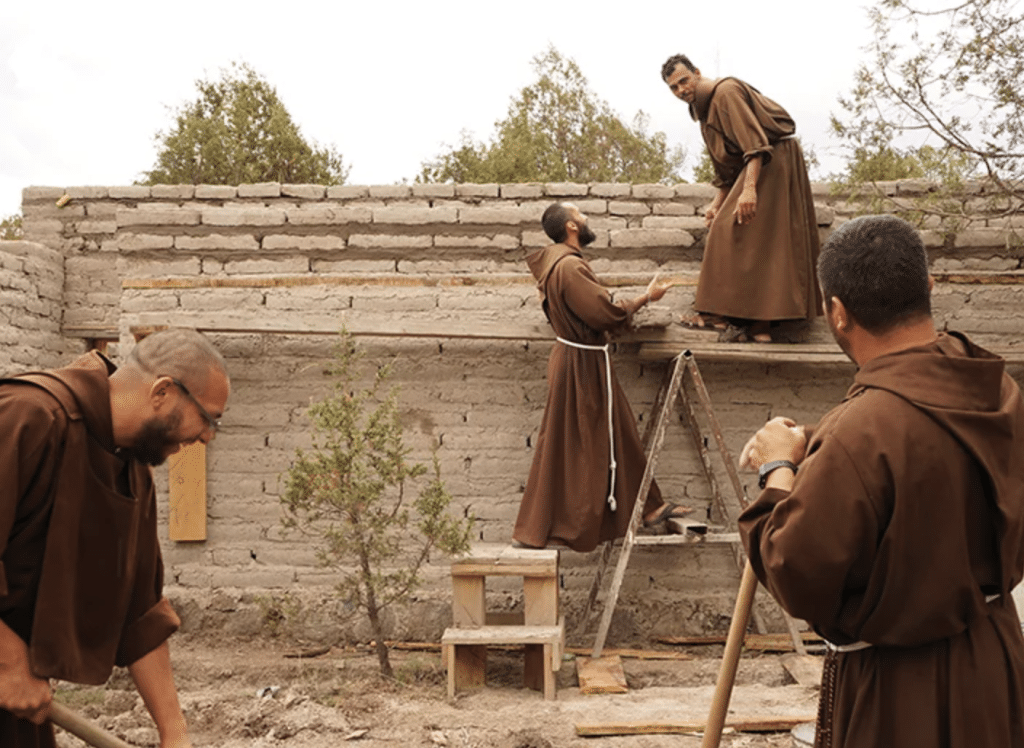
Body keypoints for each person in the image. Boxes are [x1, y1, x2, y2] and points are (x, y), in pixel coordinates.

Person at [737, 215, 1024, 747]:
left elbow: (794, 570)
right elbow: (923, 449)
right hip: (994, 665)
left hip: (902, 696)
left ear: (837, 313)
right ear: (929, 287)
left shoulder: (859, 435)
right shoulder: (996, 391)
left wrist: (778, 470)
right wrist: (819, 441)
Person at [0, 328, 231, 748]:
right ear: (162, 392)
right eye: (207, 417)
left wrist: (174, 733)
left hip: (16, 695)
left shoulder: (132, 474)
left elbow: (140, 613)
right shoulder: (28, 415)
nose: (206, 437)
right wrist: (9, 662)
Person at [512, 202, 691, 552]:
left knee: (615, 431)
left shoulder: (556, 266)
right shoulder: (569, 267)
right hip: (581, 363)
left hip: (580, 360)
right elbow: (602, 312)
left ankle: (649, 506)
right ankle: (536, 528)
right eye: (581, 215)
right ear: (571, 227)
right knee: (574, 443)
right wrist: (646, 298)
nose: (586, 219)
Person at [662, 54, 822, 342]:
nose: (681, 90)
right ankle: (759, 326)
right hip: (757, 166)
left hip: (776, 161)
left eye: (684, 81)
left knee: (731, 230)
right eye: (673, 88)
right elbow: (726, 172)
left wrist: (749, 190)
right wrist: (715, 204)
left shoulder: (725, 92)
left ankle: (716, 316)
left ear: (697, 73)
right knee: (751, 235)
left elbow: (756, 147)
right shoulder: (704, 113)